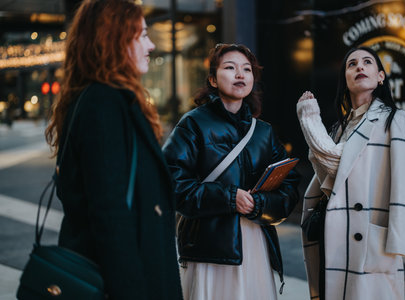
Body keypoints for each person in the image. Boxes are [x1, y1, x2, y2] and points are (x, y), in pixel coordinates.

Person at [44, 1, 182, 299]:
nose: (152, 44)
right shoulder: (104, 104)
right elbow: (110, 214)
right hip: (125, 279)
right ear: (115, 39)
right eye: (142, 35)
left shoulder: (102, 99)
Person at [162, 43, 301, 300]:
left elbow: (290, 184)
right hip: (208, 248)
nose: (240, 74)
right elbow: (172, 184)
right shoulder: (192, 124)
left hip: (256, 243)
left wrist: (259, 203)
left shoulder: (263, 132)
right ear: (213, 80)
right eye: (230, 68)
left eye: (247, 70)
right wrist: (229, 198)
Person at [296, 46, 405, 299]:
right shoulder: (339, 127)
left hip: (369, 235)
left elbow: (403, 182)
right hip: (335, 230)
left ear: (381, 76)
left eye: (367, 62)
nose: (359, 66)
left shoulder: (394, 118)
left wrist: (309, 120)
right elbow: (327, 174)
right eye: (352, 64)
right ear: (346, 80)